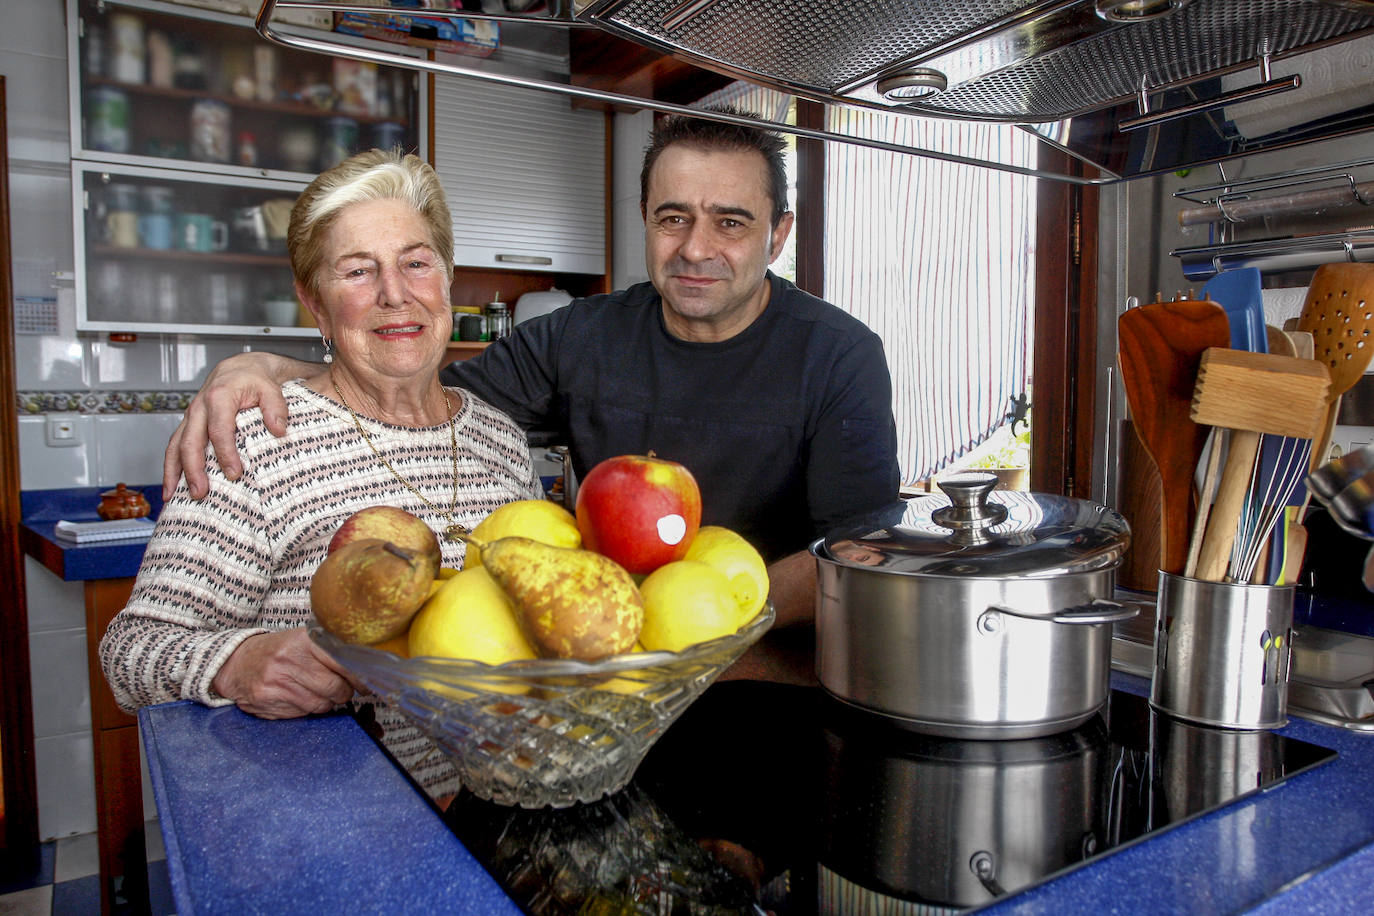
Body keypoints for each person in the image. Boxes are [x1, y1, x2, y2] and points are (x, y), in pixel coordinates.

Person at [161, 107, 902, 661]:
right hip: (604, 676)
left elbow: (863, 548)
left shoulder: (838, 356)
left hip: (763, 675)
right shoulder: (577, 337)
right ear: (644, 218)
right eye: (673, 217)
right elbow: (408, 379)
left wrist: (699, 623)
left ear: (778, 233)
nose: (696, 249)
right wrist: (273, 368)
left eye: (731, 223)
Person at [100, 149, 543, 800]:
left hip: (499, 819)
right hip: (334, 828)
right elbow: (131, 652)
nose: (395, 292)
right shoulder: (258, 439)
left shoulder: (500, 439)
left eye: (416, 262)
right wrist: (234, 661)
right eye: (358, 271)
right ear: (314, 302)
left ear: (446, 278)